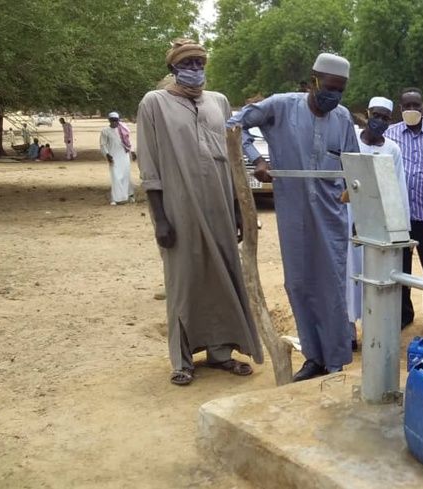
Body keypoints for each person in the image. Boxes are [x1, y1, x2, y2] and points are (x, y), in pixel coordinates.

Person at [136, 38, 263, 385]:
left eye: (199, 62)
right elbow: (150, 166)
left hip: (220, 206)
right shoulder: (154, 104)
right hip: (179, 207)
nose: (195, 69)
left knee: (222, 275)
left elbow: (233, 159)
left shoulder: (218, 102)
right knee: (184, 281)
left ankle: (221, 352)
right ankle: (183, 360)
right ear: (173, 68)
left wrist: (239, 210)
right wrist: (160, 218)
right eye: (187, 63)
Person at [228, 52, 359, 382]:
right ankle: (313, 357)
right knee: (299, 283)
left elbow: (355, 165)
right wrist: (258, 159)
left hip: (331, 215)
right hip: (293, 212)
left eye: (340, 89)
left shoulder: (342, 118)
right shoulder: (281, 106)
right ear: (312, 81)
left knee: (330, 286)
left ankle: (335, 360)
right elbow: (235, 125)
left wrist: (355, 198)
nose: (334, 95)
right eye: (329, 87)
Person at [347, 96, 410, 341]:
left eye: (385, 118)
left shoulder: (392, 149)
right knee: (350, 274)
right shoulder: (351, 142)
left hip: (379, 222)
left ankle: (376, 330)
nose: (380, 121)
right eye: (376, 115)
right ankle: (349, 331)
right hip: (350, 217)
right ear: (367, 113)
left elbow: (397, 188)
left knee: (377, 276)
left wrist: (399, 227)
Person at [385, 87, 423, 334]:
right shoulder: (390, 134)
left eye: (416, 106)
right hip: (399, 215)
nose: (412, 110)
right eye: (407, 106)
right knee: (400, 269)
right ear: (401, 109)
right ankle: (403, 314)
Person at [100, 112, 134, 205]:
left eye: (116, 120)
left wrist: (132, 151)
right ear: (109, 120)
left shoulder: (123, 128)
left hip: (124, 156)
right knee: (115, 176)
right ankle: (116, 198)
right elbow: (103, 144)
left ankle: (129, 195)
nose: (114, 122)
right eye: (112, 120)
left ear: (118, 120)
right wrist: (107, 154)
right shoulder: (105, 131)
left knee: (126, 175)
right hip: (113, 156)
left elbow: (128, 141)